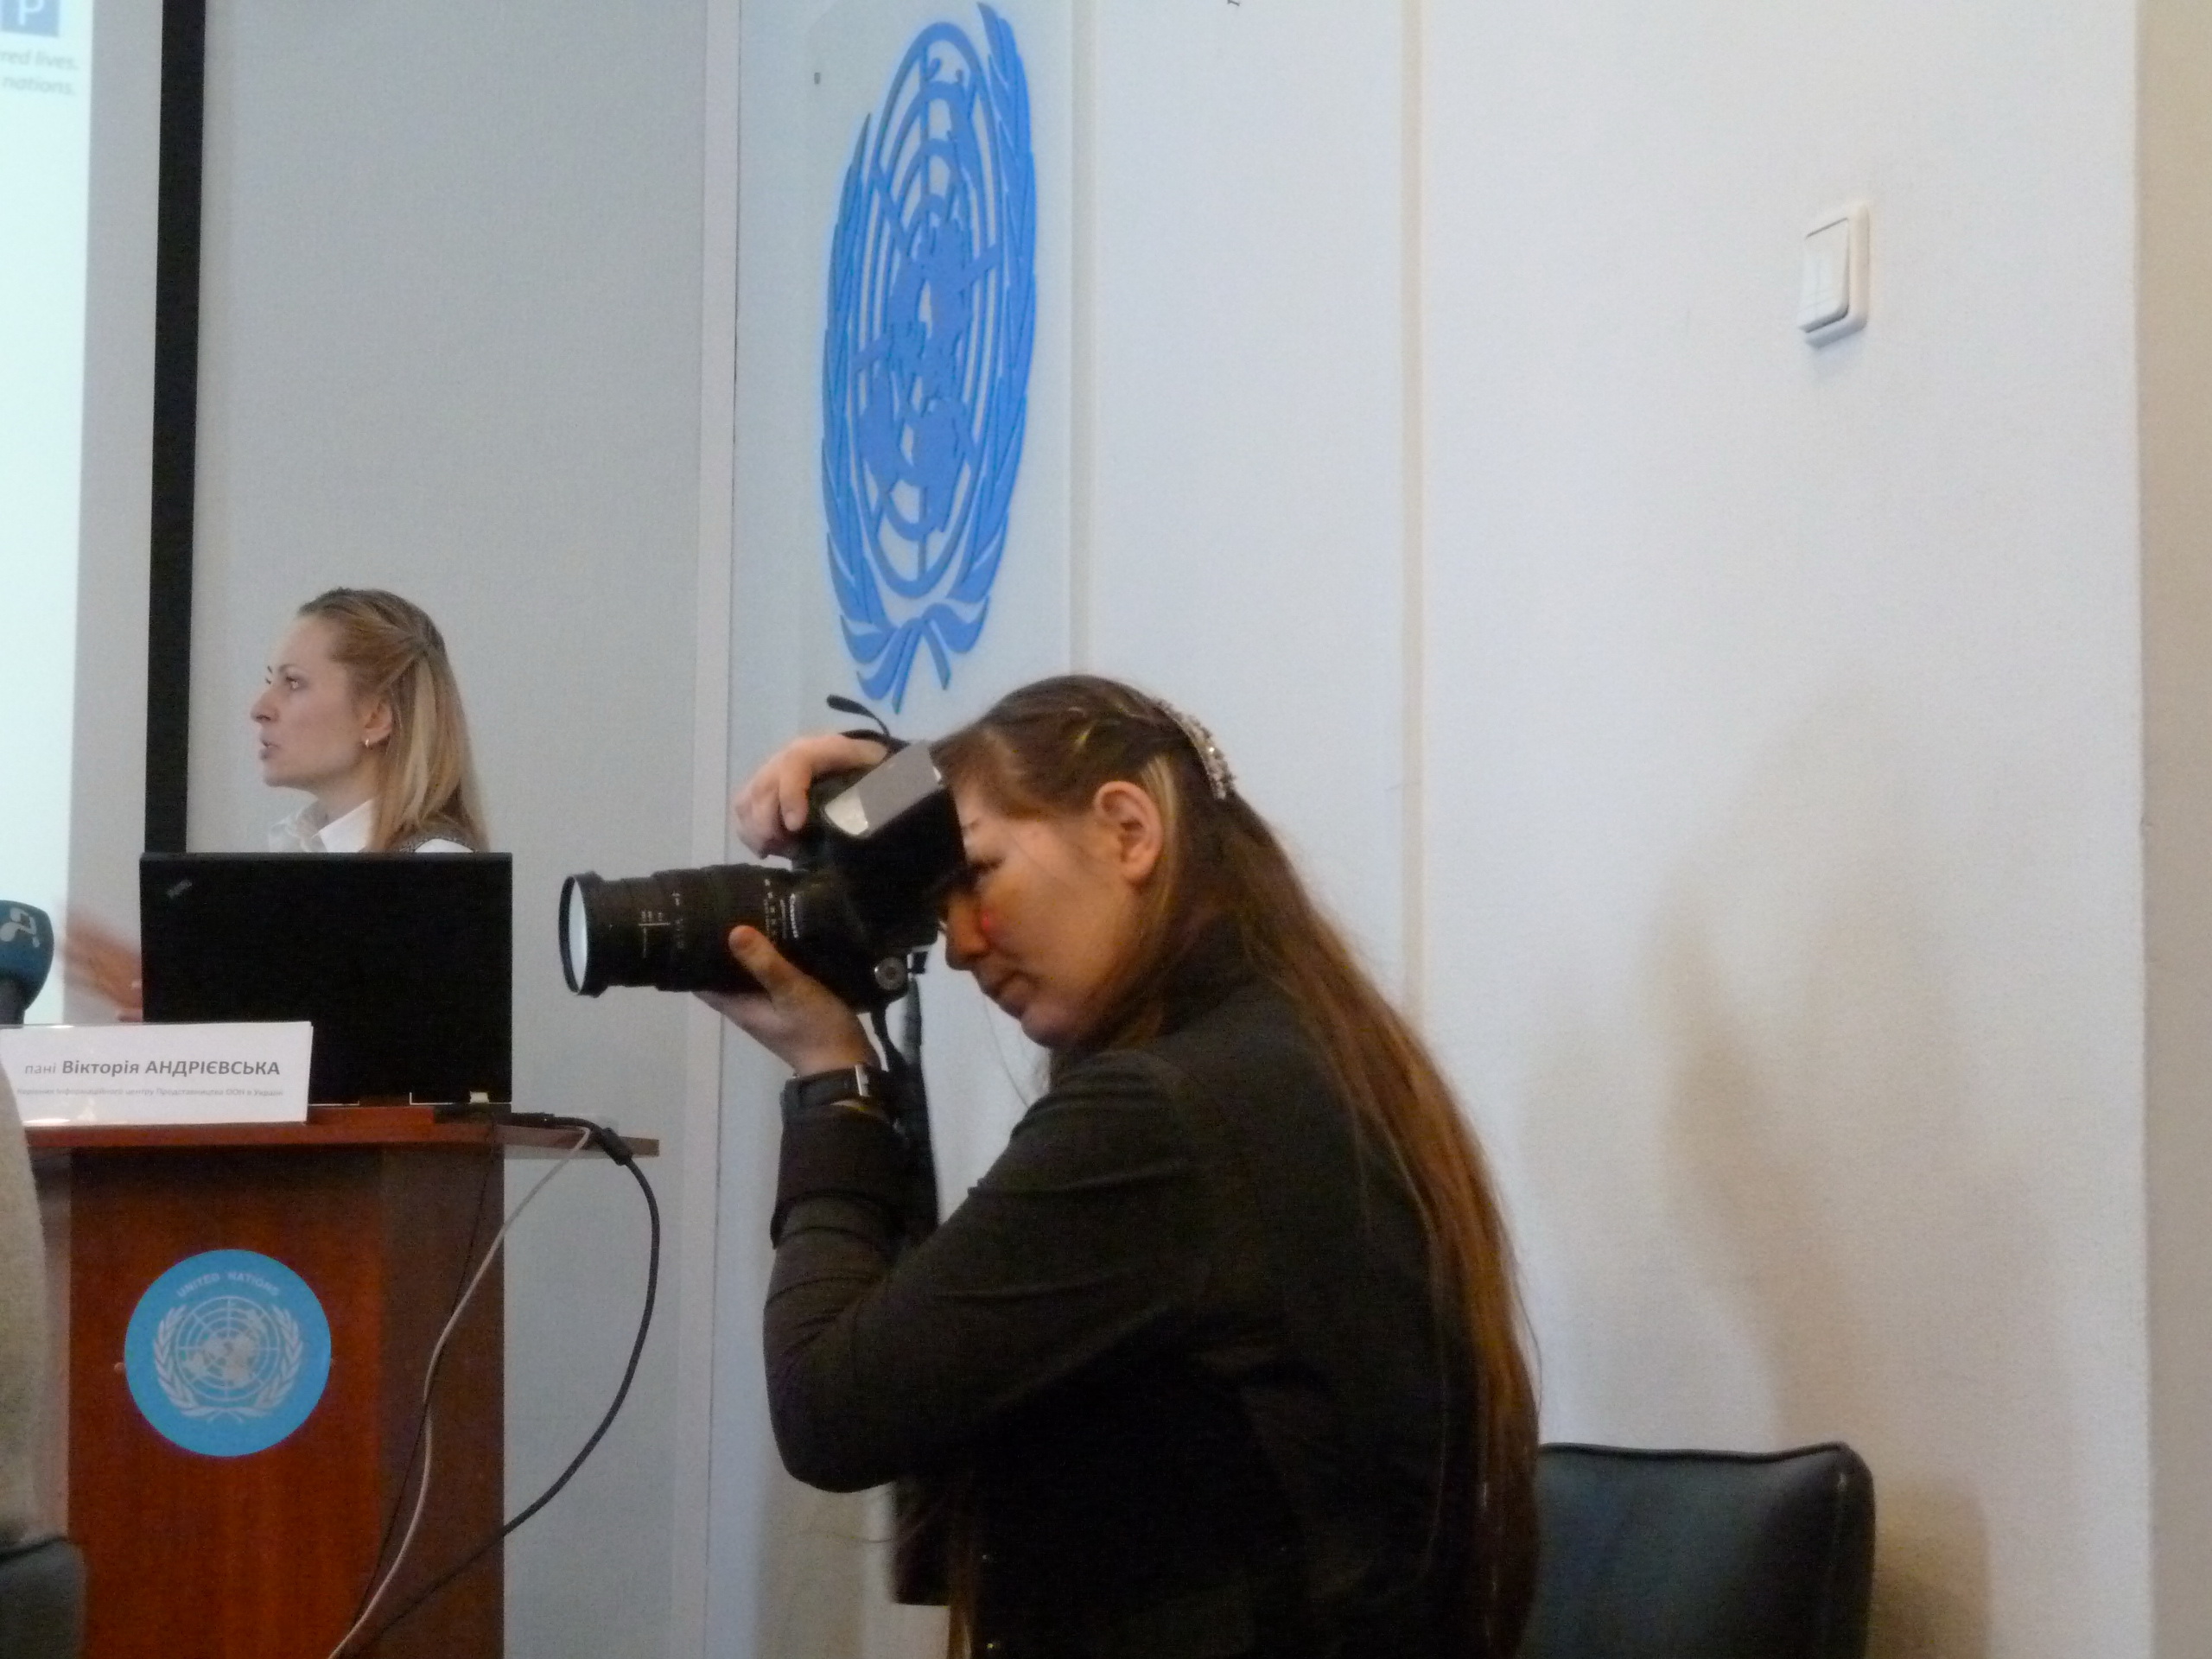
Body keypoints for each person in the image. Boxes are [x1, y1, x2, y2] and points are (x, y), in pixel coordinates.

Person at [715, 676, 1539, 1659]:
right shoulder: (1301, 1056)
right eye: (940, 904)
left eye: (977, 874)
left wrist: (833, 1081)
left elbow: (829, 1410)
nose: (963, 945)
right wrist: (906, 793)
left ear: (1128, 830)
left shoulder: (1164, 1117)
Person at [69, 588, 488, 1016]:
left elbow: (405, 1049)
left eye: (293, 683)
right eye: (272, 680)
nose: (260, 708)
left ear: (376, 717)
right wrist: (186, 1009)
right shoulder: (304, 860)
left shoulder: (436, 873)